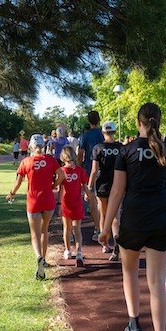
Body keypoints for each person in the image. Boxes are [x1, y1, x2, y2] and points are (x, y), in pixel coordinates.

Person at [99, 103, 166, 331]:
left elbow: (116, 192)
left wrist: (105, 228)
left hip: (133, 219)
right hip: (160, 221)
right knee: (156, 281)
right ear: (159, 121)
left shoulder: (127, 151)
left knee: (130, 273)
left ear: (138, 122)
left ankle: (134, 328)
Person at [5, 134, 65, 280]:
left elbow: (18, 181)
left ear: (31, 146)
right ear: (43, 146)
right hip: (48, 201)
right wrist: (53, 186)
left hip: (33, 201)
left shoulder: (26, 161)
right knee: (44, 231)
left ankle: (39, 257)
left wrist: (12, 193)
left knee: (35, 234)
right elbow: (61, 175)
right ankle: (43, 259)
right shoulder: (50, 161)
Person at [88, 121, 122, 259]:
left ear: (103, 132)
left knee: (103, 215)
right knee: (115, 217)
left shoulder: (98, 148)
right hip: (117, 185)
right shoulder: (121, 148)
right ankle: (117, 244)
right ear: (114, 132)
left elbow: (94, 170)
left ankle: (105, 244)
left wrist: (89, 186)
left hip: (102, 185)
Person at [57, 145, 91, 267]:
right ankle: (79, 252)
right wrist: (88, 195)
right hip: (77, 202)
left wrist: (59, 204)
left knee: (67, 228)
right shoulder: (80, 171)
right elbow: (85, 187)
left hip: (66, 202)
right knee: (77, 229)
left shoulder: (61, 171)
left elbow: (59, 189)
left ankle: (67, 250)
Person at [77, 111, 103, 241]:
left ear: (89, 120)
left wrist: (78, 168)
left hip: (90, 171)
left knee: (92, 202)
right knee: (104, 202)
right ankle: (105, 228)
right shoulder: (104, 134)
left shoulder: (84, 136)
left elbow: (80, 154)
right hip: (106, 172)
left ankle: (98, 228)